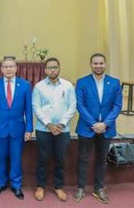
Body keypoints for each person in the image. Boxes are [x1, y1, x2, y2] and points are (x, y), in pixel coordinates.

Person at [74, 53, 122, 204]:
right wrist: (94, 124)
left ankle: (98, 188)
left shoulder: (114, 83)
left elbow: (117, 106)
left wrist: (105, 124)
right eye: (95, 63)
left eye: (101, 63)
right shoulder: (82, 82)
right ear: (90, 65)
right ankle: (80, 188)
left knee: (102, 159)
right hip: (87, 127)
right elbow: (80, 105)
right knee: (83, 159)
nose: (98, 66)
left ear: (105, 64)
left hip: (106, 128)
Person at [0, 56, 33, 200]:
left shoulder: (25, 85)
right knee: (0, 158)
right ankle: (0, 183)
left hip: (18, 129)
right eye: (5, 66)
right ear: (1, 69)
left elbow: (28, 109)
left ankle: (16, 185)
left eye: (11, 66)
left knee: (16, 158)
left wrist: (29, 128)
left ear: (16, 68)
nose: (8, 69)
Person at [32, 57, 76, 202]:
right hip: (43, 129)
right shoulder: (39, 86)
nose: (52, 70)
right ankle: (40, 186)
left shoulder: (68, 86)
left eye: (55, 67)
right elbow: (36, 107)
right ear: (45, 70)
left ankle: (58, 187)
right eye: (49, 67)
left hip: (62, 130)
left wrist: (62, 124)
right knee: (42, 159)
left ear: (59, 68)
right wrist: (49, 124)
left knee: (60, 159)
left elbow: (72, 106)